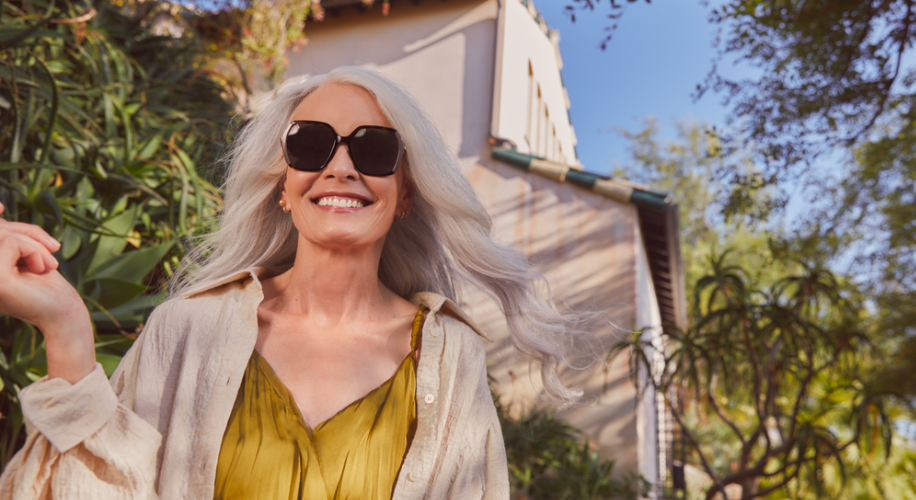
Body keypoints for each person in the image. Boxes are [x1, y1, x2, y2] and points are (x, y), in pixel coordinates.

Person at [0, 66, 583, 499]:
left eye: (374, 149)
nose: (340, 166)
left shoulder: (449, 355)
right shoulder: (185, 329)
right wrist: (65, 327)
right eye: (311, 143)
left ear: (406, 192)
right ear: (283, 183)